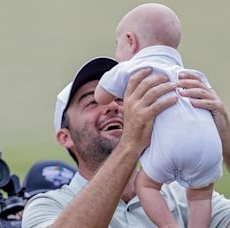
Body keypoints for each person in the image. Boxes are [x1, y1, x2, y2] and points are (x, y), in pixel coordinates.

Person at [22, 56, 230, 228]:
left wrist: (228, 141)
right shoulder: (50, 205)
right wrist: (131, 144)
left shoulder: (184, 198)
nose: (114, 106)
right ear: (65, 137)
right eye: (92, 101)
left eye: (123, 99)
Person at [94, 4, 221, 227]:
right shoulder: (191, 75)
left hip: (171, 146)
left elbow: (101, 96)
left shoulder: (131, 67)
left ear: (130, 41)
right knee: (200, 195)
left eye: (118, 45)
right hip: (210, 144)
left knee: (147, 186)